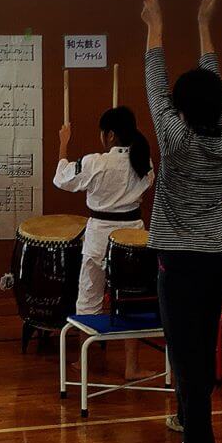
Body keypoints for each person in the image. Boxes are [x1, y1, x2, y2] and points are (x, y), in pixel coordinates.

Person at [142, 0, 222, 443]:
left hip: (179, 259)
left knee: (186, 351)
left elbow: (154, 83)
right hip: (216, 255)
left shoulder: (175, 140)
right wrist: (203, 24)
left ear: (181, 107)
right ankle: (186, 416)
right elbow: (211, 87)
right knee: (199, 341)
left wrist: (154, 25)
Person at [53, 106, 154, 379]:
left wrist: (63, 144)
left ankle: (84, 360)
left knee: (89, 295)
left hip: (100, 234)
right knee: (130, 298)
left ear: (109, 135)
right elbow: (147, 181)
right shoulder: (143, 160)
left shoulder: (96, 162)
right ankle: (132, 366)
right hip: (133, 236)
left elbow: (61, 179)